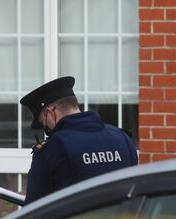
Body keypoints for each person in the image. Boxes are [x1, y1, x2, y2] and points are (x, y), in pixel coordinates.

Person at [19, 76, 138, 204]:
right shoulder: (122, 138)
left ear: (51, 113)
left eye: (44, 123)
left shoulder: (52, 149)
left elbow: (35, 210)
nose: (46, 128)